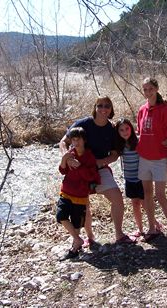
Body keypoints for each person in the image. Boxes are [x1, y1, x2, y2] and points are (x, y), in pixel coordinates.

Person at [59, 96, 135, 244]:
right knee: (83, 204)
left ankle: (119, 234)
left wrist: (100, 162)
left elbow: (114, 154)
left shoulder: (112, 130)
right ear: (95, 107)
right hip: (78, 169)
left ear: (111, 109)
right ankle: (89, 238)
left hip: (99, 169)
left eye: (107, 106)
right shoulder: (83, 124)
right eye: (100, 105)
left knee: (117, 198)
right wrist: (66, 158)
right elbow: (63, 141)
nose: (103, 109)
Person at [136, 77, 167, 246]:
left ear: (156, 89)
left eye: (150, 89)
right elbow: (140, 134)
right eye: (145, 89)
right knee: (147, 193)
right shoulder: (142, 110)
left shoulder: (165, 110)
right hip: (143, 158)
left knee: (161, 195)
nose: (147, 92)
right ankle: (152, 228)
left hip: (159, 160)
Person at [56, 127, 100, 260]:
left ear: (84, 140)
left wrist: (79, 166)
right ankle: (78, 240)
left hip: (80, 196)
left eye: (78, 139)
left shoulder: (89, 156)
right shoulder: (70, 153)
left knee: (76, 224)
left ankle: (74, 249)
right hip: (66, 192)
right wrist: (64, 159)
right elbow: (62, 171)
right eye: (73, 139)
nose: (76, 142)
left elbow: (91, 176)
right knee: (61, 216)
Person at [115, 118, 162, 238]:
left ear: (131, 128)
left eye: (127, 129)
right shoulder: (119, 145)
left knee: (144, 202)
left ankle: (155, 224)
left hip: (142, 178)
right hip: (129, 179)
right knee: (135, 203)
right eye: (121, 130)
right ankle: (140, 229)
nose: (125, 132)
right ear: (118, 132)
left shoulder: (138, 141)